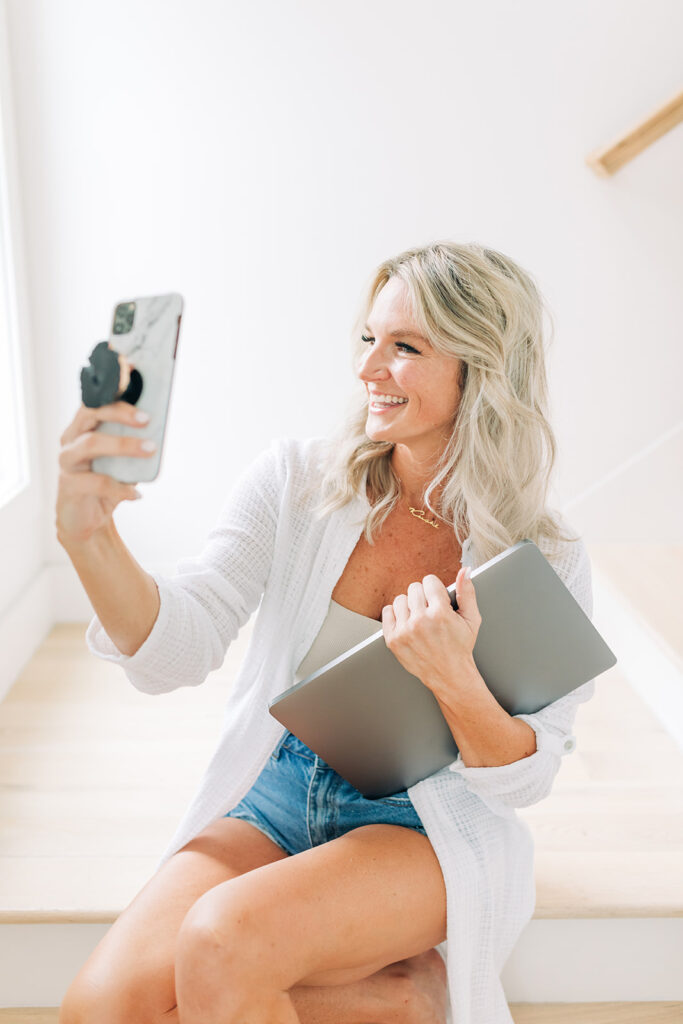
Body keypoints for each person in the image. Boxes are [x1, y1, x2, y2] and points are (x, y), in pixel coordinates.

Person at [55, 240, 595, 1024]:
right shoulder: (296, 481)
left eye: (404, 346)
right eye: (368, 339)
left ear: (481, 367)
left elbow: (526, 778)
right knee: (97, 1012)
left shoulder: (541, 553)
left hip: (425, 817)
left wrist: (454, 678)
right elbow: (177, 649)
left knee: (220, 943)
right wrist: (89, 539)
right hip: (278, 790)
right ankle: (396, 1000)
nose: (369, 366)